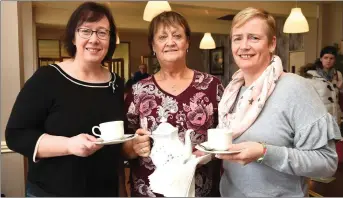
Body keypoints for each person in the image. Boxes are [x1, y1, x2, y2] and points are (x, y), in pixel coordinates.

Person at [214, 7, 341, 197]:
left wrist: (264, 152)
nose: (244, 46)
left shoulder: (295, 88)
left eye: (254, 38)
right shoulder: (232, 92)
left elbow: (326, 163)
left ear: (272, 43)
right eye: (237, 38)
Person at [5, 2, 126, 197]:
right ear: (73, 36)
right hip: (51, 192)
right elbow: (16, 135)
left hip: (104, 191)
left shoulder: (116, 84)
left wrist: (122, 192)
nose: (94, 39)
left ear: (110, 40)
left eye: (102, 32)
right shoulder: (47, 78)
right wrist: (69, 145)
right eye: (86, 31)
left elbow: (116, 147)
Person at [122, 11, 224, 197]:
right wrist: (133, 147)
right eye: (162, 37)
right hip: (151, 190)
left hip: (201, 190)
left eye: (177, 36)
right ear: (153, 46)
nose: (170, 42)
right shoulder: (138, 91)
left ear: (187, 43)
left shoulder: (211, 86)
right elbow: (123, 142)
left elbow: (227, 133)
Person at [300, 46, 343, 129]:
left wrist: (341, 88)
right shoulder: (311, 75)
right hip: (319, 119)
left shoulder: (338, 74)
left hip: (335, 118)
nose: (328, 61)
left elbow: (339, 98)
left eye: (331, 58)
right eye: (326, 57)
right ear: (321, 59)